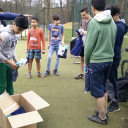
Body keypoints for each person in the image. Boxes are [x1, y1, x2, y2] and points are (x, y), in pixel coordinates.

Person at [84, 0, 117, 125]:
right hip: (109, 60)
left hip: (96, 61)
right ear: (105, 7)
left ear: (92, 8)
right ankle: (104, 111)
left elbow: (88, 46)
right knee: (103, 87)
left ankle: (102, 117)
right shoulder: (112, 22)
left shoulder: (94, 23)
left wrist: (87, 61)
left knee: (97, 91)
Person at [106, 5, 128, 113]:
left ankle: (115, 103)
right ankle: (111, 97)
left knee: (112, 79)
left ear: (116, 14)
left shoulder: (119, 27)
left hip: (113, 57)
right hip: (111, 56)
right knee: (110, 79)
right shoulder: (115, 25)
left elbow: (114, 45)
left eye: (110, 15)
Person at [0, 15, 28, 95]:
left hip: (9, 62)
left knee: (10, 84)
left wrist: (15, 59)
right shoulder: (4, 35)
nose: (19, 32)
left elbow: (12, 48)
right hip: (1, 63)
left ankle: (12, 104)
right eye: (19, 29)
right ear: (14, 24)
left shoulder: (16, 34)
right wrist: (9, 63)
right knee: (2, 85)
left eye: (21, 31)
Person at [75, 7, 91, 79]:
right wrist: (79, 32)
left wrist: (86, 32)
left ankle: (89, 74)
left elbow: (94, 33)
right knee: (82, 58)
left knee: (89, 60)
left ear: (88, 13)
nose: (83, 17)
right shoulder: (83, 20)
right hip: (83, 42)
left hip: (90, 43)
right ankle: (82, 73)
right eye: (82, 15)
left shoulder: (93, 21)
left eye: (84, 15)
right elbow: (81, 28)